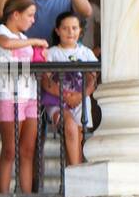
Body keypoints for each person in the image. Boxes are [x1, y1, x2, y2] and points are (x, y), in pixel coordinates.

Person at [0, 0, 45, 194]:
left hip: (29, 95)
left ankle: (27, 195)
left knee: (27, 150)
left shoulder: (24, 38)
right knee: (10, 150)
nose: (33, 20)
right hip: (8, 96)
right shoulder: (1, 31)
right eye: (30, 15)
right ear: (15, 14)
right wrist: (35, 40)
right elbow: (6, 44)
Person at [41, 11, 98, 168]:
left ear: (80, 30)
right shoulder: (51, 53)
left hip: (81, 101)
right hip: (58, 102)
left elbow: (92, 80)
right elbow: (46, 82)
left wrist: (80, 96)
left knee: (77, 141)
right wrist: (66, 97)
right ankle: (77, 173)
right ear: (57, 30)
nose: (70, 32)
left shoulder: (86, 53)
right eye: (65, 28)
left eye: (74, 28)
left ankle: (73, 179)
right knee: (71, 129)